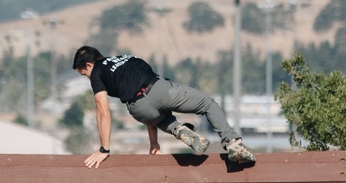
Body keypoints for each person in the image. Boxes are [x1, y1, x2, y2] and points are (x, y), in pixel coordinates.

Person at [72, 45, 256, 168]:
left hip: (138, 109)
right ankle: (233, 143)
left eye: (84, 74)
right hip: (160, 89)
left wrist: (104, 149)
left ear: (89, 64)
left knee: (160, 117)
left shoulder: (97, 72)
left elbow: (103, 112)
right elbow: (146, 91)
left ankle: (177, 128)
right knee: (208, 104)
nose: (88, 78)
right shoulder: (126, 59)